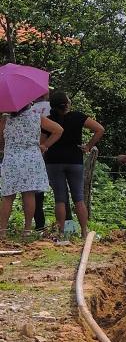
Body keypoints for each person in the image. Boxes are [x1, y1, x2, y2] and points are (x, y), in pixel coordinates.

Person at [44, 91, 104, 238]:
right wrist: (88, 146)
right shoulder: (77, 116)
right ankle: (84, 232)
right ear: (67, 104)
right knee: (78, 197)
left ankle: (61, 232)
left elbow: (42, 142)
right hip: (74, 160)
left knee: (60, 198)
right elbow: (99, 129)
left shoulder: (48, 120)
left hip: (53, 160)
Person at [0, 101, 63, 238]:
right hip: (31, 159)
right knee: (29, 194)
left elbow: (1, 140)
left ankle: (2, 231)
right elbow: (58, 130)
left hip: (11, 159)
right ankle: (27, 229)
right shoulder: (36, 117)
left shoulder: (5, 119)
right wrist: (44, 145)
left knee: (8, 196)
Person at [32, 92, 51, 232]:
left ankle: (39, 224)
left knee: (34, 191)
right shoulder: (52, 107)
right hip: (52, 152)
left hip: (33, 151)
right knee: (61, 191)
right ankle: (66, 226)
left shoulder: (29, 110)